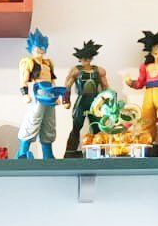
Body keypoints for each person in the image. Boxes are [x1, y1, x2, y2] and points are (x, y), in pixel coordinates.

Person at [16, 28, 62, 158]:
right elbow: (24, 80)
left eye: (43, 50)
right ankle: (23, 152)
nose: (40, 53)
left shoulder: (48, 63)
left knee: (49, 123)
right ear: (32, 49)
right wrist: (25, 94)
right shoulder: (29, 63)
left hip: (50, 94)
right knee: (32, 121)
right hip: (37, 93)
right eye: (38, 50)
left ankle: (48, 154)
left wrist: (56, 95)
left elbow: (52, 81)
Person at [62, 40, 108, 158]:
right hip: (82, 101)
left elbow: (105, 87)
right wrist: (66, 100)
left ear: (91, 58)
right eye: (83, 58)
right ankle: (71, 152)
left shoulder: (99, 71)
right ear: (80, 59)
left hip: (95, 101)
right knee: (76, 126)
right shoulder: (76, 71)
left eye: (88, 58)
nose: (85, 60)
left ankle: (100, 152)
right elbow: (67, 86)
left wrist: (106, 102)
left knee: (98, 126)